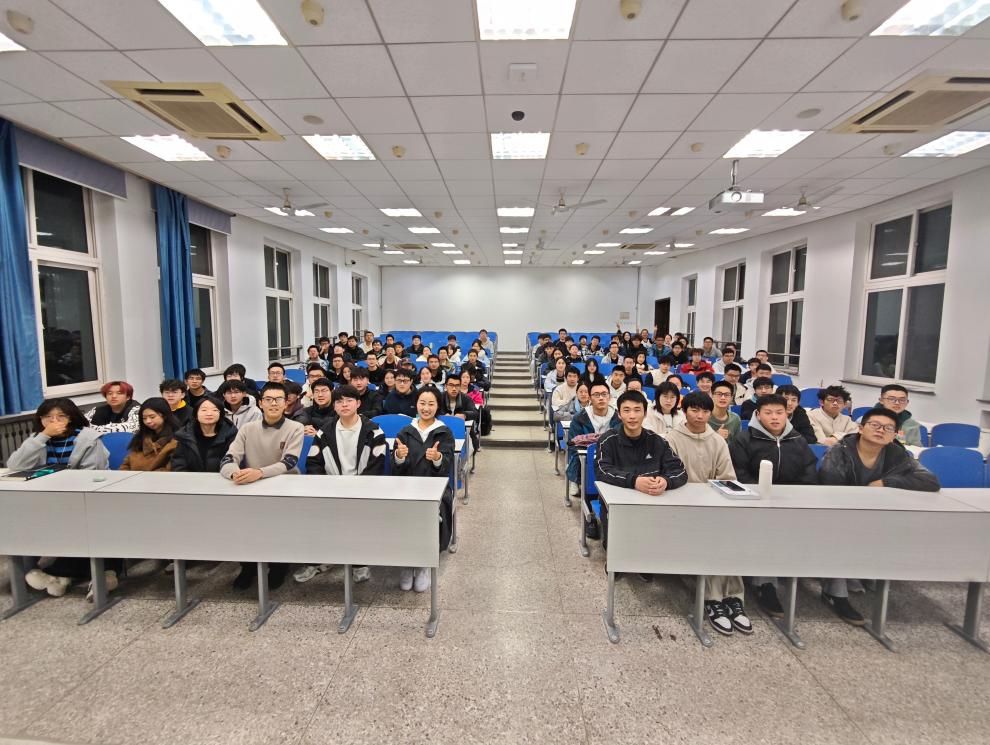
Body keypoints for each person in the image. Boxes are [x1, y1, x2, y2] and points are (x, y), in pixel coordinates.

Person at [815, 407, 940, 624]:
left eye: (888, 428)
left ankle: (867, 573)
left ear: (894, 434)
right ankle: (835, 593)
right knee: (840, 535)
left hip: (879, 516)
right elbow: (831, 487)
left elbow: (930, 480)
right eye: (875, 425)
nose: (881, 431)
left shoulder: (897, 454)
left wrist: (886, 482)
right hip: (839, 515)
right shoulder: (840, 451)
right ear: (861, 428)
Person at [666, 392, 752, 635]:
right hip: (681, 507)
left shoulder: (717, 441)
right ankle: (713, 600)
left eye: (705, 411)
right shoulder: (672, 440)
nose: (700, 416)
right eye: (694, 410)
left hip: (713, 505)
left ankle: (734, 597)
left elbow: (727, 478)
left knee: (731, 537)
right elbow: (669, 476)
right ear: (684, 411)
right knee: (713, 539)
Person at [729, 393, 818, 617]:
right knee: (765, 530)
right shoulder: (744, 439)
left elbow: (809, 471)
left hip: (790, 502)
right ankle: (765, 583)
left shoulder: (797, 440)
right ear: (758, 415)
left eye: (779, 412)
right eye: (768, 413)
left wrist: (789, 497)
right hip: (754, 502)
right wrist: (762, 495)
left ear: (787, 414)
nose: (775, 417)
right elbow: (738, 472)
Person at [15, 399, 112, 600]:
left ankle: (67, 571)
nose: (54, 421)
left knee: (82, 523)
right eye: (48, 417)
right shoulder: (38, 439)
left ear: (71, 418)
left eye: (61, 417)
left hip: (84, 498)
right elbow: (16, 465)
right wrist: (42, 437)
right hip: (48, 498)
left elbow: (92, 475)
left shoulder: (88, 439)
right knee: (19, 518)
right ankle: (31, 568)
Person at [294, 384, 387, 585]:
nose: (344, 405)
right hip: (331, 488)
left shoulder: (373, 431)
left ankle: (359, 563)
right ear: (334, 406)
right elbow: (314, 463)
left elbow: (376, 467)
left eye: (349, 401)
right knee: (314, 516)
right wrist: (327, 488)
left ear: (358, 403)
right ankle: (317, 561)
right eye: (339, 401)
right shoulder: (325, 432)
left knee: (357, 520)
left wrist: (357, 489)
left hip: (363, 490)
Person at [219, 382, 305, 591]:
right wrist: (234, 473)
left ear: (286, 403)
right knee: (248, 528)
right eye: (268, 399)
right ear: (260, 403)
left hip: (285, 485)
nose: (273, 404)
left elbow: (289, 462)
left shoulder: (295, 428)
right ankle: (248, 567)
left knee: (279, 529)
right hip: (253, 485)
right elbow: (229, 458)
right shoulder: (248, 429)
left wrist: (259, 472)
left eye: (278, 399)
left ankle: (278, 567)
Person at [594, 391, 688, 550]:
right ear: (619, 414)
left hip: (653, 502)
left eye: (637, 410)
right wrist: (634, 481)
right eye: (626, 410)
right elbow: (602, 470)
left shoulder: (657, 441)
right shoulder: (608, 440)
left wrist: (666, 481)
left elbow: (679, 470)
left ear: (645, 413)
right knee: (618, 548)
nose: (632, 416)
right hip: (618, 503)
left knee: (661, 546)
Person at [392, 387, 456, 593]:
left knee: (429, 514)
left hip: (435, 487)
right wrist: (399, 456)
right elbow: (396, 468)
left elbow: (446, 466)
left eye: (431, 404)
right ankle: (405, 562)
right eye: (422, 403)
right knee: (399, 514)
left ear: (438, 406)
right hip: (407, 486)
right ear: (416, 404)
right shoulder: (405, 431)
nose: (426, 408)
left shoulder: (444, 432)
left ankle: (423, 564)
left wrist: (437, 458)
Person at [566, 382, 620, 517]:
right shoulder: (580, 417)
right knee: (583, 462)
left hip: (611, 458)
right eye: (596, 395)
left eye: (604, 394)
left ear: (609, 397)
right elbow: (573, 444)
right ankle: (578, 483)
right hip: (585, 457)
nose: (601, 398)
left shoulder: (618, 417)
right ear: (590, 398)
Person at [171, 396, 238, 473]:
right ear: (196, 414)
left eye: (214, 410)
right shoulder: (184, 435)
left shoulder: (231, 434)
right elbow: (178, 464)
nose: (209, 414)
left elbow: (232, 461)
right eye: (204, 410)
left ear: (221, 414)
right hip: (190, 479)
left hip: (222, 478)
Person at [119, 398, 179, 471]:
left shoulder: (176, 441)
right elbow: (126, 464)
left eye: (152, 417)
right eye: (144, 418)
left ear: (164, 415)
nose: (148, 421)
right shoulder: (140, 438)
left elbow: (170, 470)